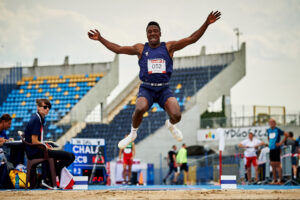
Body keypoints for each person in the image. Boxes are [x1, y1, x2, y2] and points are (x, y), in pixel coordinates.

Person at [88, 11, 221, 149]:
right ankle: (133, 133)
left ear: (160, 33)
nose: (152, 33)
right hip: (147, 88)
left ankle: (170, 124)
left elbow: (191, 39)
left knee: (177, 115)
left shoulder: (168, 47)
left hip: (164, 88)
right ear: (147, 35)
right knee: (139, 108)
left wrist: (206, 23)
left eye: (155, 31)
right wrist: (100, 38)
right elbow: (118, 49)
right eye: (149, 31)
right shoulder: (141, 49)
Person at [24, 99, 75, 187]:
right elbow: (34, 141)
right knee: (70, 156)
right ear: (38, 108)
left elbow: (36, 141)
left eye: (49, 108)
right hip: (35, 152)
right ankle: (50, 176)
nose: (47, 109)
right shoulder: (36, 120)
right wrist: (45, 147)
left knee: (70, 156)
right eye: (45, 107)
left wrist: (44, 145)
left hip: (36, 150)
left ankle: (49, 176)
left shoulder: (39, 119)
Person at [267, 118, 288, 184]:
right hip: (271, 149)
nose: (271, 124)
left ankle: (280, 179)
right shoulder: (268, 130)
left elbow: (286, 135)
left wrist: (280, 143)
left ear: (275, 123)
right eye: (270, 122)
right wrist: (270, 143)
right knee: (272, 164)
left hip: (276, 149)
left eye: (272, 122)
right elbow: (268, 137)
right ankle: (275, 179)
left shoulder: (278, 130)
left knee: (278, 165)